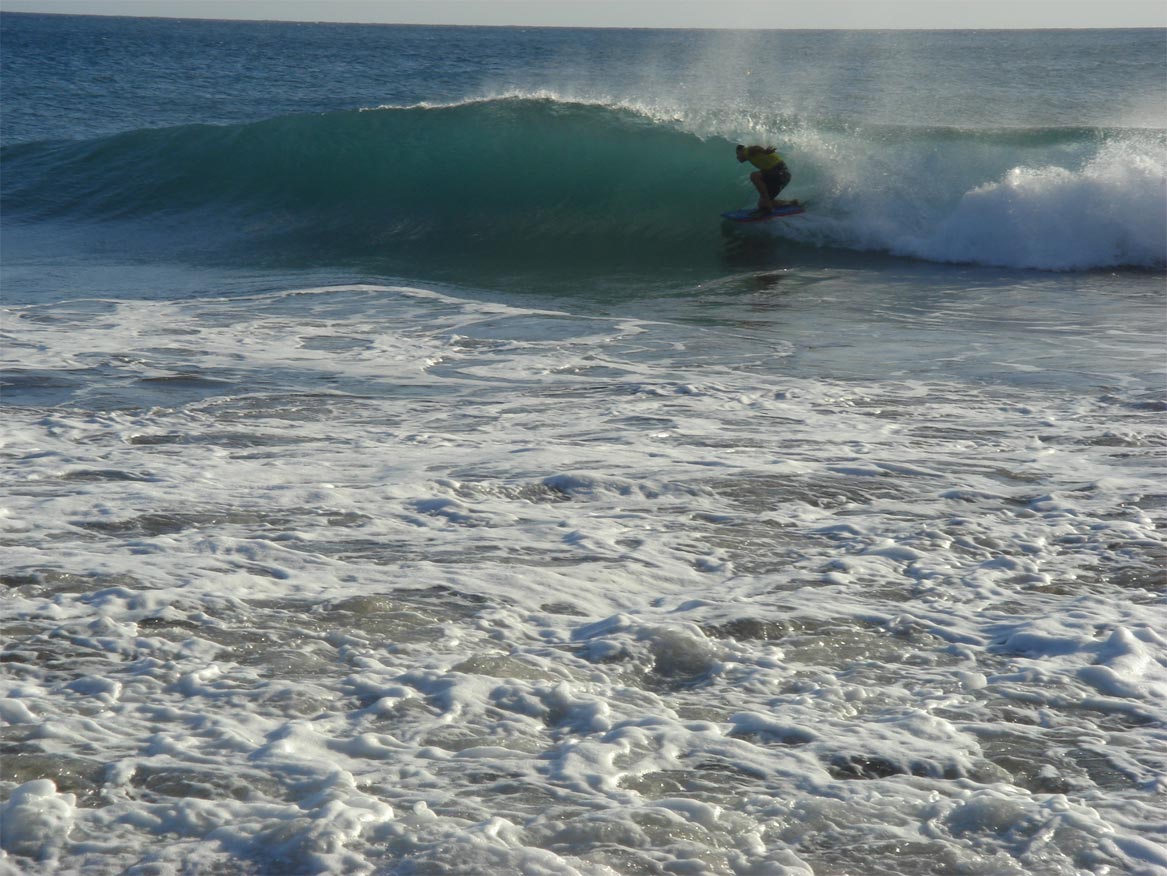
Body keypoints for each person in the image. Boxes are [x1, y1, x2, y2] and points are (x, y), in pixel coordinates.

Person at [736, 144, 797, 213]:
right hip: (782, 175)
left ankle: (767, 204)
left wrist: (764, 151)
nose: (737, 157)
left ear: (741, 151)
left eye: (737, 154)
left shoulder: (747, 151)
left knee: (754, 175)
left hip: (781, 172)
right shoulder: (752, 158)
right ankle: (792, 203)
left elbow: (755, 148)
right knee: (762, 204)